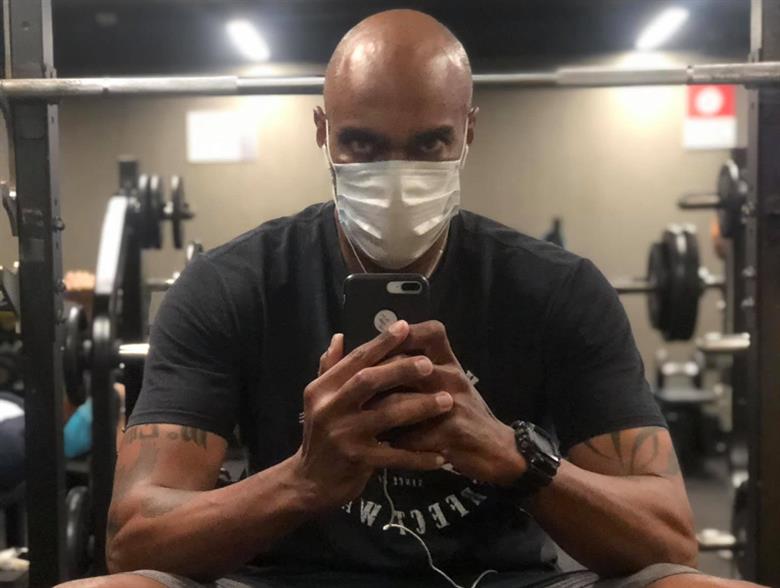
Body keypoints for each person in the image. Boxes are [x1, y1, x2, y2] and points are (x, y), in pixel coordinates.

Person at [60, 10, 764, 588]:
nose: (395, 175)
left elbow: (670, 537)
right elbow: (133, 538)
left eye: (429, 144)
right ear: (322, 132)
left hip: (502, 580)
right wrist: (303, 480)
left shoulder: (557, 289)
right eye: (362, 145)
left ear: (468, 133)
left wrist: (514, 456)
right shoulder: (230, 284)